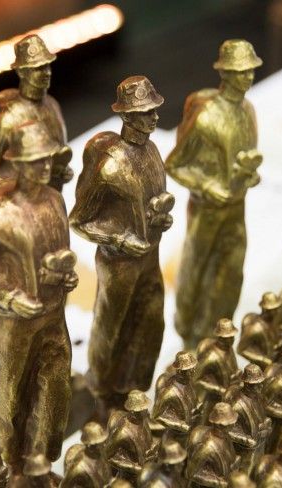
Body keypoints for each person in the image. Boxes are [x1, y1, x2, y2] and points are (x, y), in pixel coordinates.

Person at [0, 123, 77, 470]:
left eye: (47, 159)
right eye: (36, 161)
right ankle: (8, 468)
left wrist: (65, 278)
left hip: (54, 316)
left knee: (55, 391)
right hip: (16, 323)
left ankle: (41, 467)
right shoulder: (2, 217)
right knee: (11, 399)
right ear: (19, 164)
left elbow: (58, 255)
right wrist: (9, 299)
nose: (45, 166)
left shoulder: (55, 201)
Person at [70, 76, 172, 413]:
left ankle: (134, 390)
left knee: (150, 321)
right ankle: (102, 391)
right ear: (127, 116)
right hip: (119, 263)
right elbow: (79, 220)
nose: (155, 117)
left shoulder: (152, 151)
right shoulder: (110, 165)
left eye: (154, 110)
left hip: (150, 256)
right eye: (146, 112)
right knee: (111, 327)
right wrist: (119, 240)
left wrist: (160, 221)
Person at [167, 39, 262, 349]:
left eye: (250, 70)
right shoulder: (207, 117)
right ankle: (189, 335)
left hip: (236, 207)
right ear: (225, 74)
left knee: (231, 271)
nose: (248, 77)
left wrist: (249, 176)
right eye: (241, 72)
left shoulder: (248, 111)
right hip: (207, 210)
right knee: (196, 270)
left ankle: (218, 336)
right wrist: (207, 186)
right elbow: (175, 165)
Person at [0, 35, 72, 191]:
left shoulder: (52, 105)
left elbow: (58, 157)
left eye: (47, 66)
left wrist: (62, 172)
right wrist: (18, 188)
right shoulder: (11, 117)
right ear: (21, 72)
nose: (47, 73)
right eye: (38, 68)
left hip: (53, 197)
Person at [61, 422, 112, 488]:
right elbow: (64, 485)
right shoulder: (78, 468)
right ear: (90, 446)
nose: (103, 445)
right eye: (99, 444)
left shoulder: (101, 455)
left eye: (102, 442)